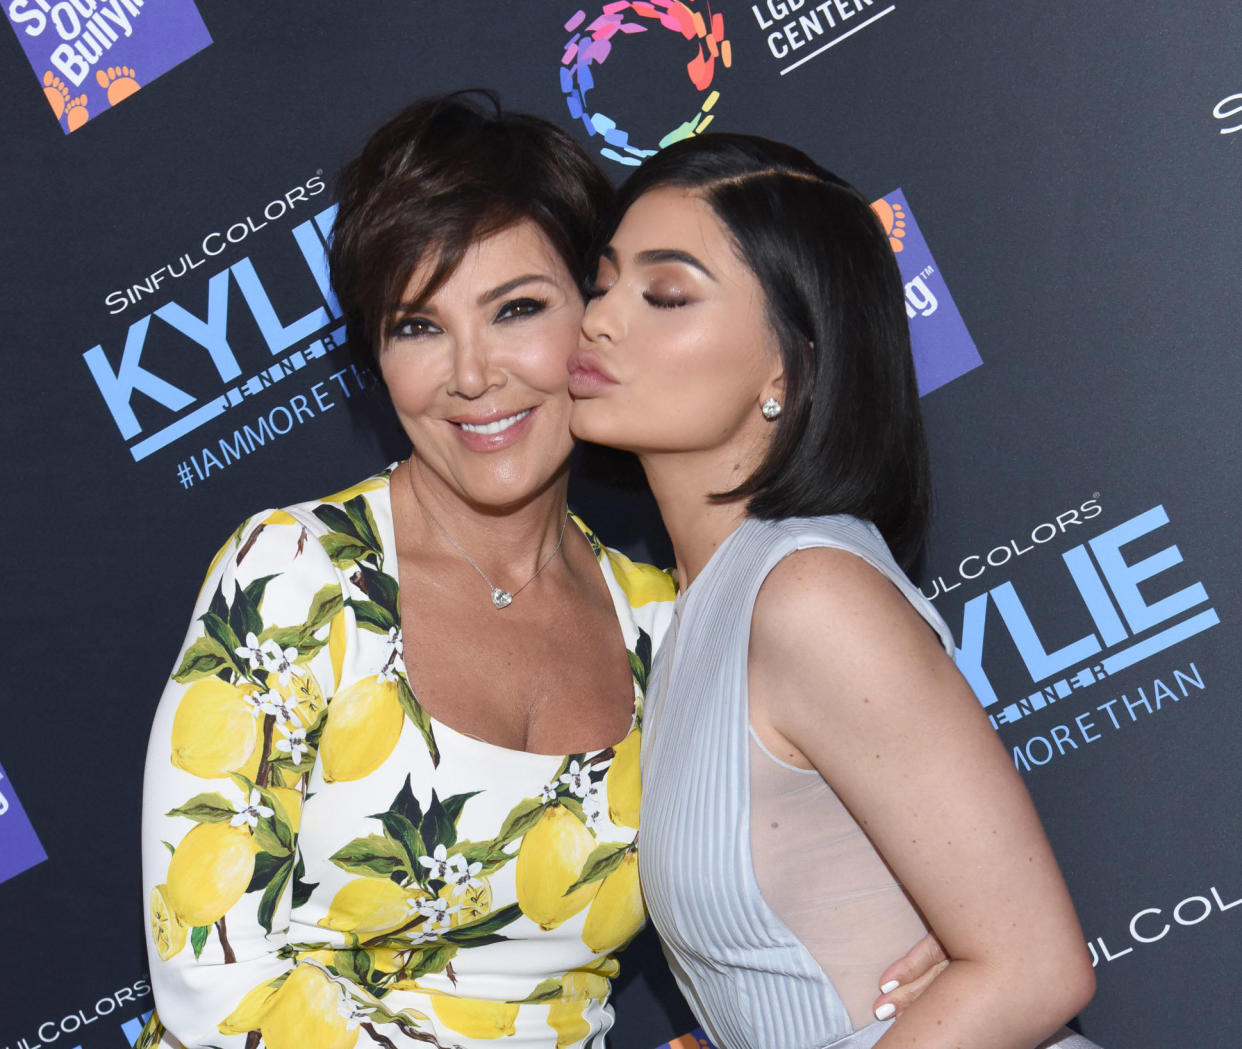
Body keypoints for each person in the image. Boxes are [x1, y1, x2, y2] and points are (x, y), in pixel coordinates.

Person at [138, 93, 681, 1049]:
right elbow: (211, 988)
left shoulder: (666, 630)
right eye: (418, 327)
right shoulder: (295, 577)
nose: (472, 375)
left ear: (595, 320)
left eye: (516, 309)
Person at [570, 133, 1103, 1049]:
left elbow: (1034, 968)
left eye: (664, 294)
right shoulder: (695, 605)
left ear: (789, 366)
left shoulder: (808, 591)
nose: (600, 320)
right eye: (604, 281)